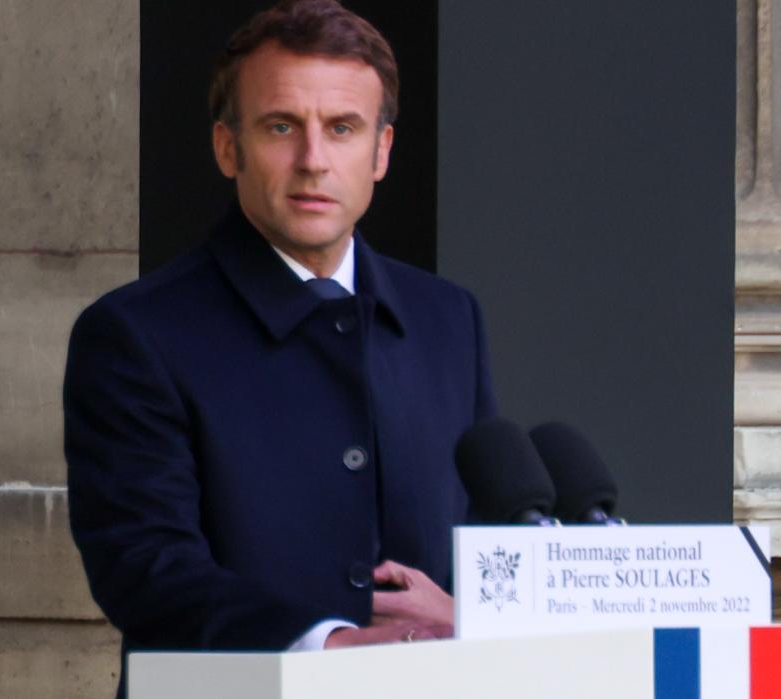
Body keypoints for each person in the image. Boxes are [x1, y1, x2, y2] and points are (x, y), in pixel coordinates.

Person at [64, 0, 497, 693]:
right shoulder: (134, 334)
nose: (313, 160)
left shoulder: (449, 317)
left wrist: (473, 612)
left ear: (381, 151)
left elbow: (490, 534)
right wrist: (331, 645)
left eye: (343, 128)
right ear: (227, 146)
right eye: (280, 126)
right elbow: (143, 566)